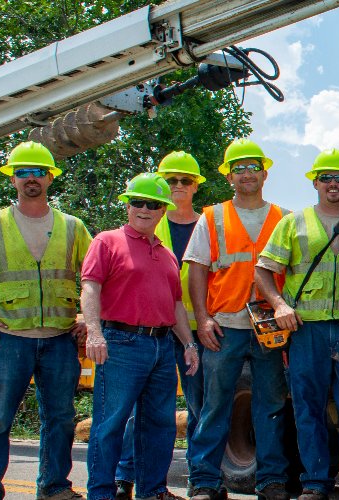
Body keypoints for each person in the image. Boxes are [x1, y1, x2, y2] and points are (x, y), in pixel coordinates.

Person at [0, 141, 92, 500]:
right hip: (8, 338)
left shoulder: (72, 226)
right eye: (23, 172)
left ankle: (54, 487)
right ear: (12, 178)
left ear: (50, 178)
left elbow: (96, 276)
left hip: (60, 339)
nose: (31, 178)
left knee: (60, 419)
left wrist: (92, 320)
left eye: (38, 172)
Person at [254, 149, 339, 500]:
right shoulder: (294, 223)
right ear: (315, 183)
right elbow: (263, 270)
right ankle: (314, 484)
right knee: (308, 410)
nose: (333, 184)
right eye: (326, 178)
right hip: (306, 331)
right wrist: (280, 304)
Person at [82, 173, 202, 500]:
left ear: (163, 210)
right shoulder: (107, 242)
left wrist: (189, 344)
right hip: (121, 343)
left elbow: (175, 304)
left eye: (152, 204)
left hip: (162, 345)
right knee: (110, 423)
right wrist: (94, 333)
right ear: (127, 206)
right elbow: (90, 288)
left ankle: (153, 491)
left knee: (159, 424)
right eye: (138, 202)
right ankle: (101, 493)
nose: (144, 209)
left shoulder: (166, 254)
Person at [183, 139, 292, 500]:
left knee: (271, 405)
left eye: (253, 167)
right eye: (239, 168)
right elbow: (197, 270)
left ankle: (271, 480)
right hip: (225, 326)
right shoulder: (212, 217)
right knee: (215, 406)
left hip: (269, 329)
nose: (246, 174)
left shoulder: (284, 218)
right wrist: (202, 319)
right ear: (229, 176)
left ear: (265, 173)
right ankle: (204, 481)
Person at [115, 151, 209, 499]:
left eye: (186, 180)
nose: (178, 185)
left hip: (196, 330)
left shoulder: (208, 224)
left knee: (199, 406)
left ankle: (199, 478)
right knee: (140, 408)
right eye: (171, 180)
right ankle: (125, 476)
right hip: (153, 328)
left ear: (196, 186)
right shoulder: (150, 221)